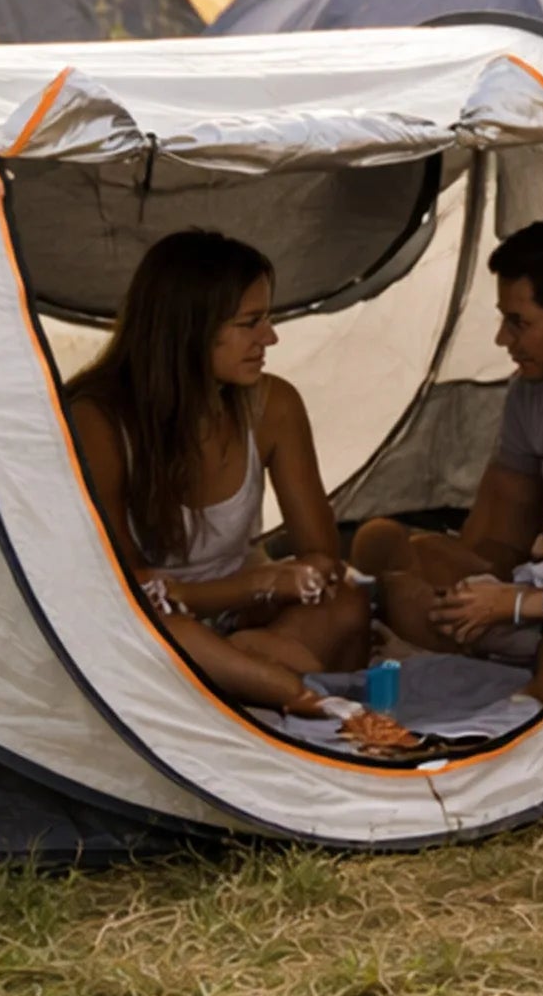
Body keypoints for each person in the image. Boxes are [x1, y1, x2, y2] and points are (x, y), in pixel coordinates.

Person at [350, 218, 543, 706]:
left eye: (518, 322)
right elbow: (500, 542)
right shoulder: (532, 394)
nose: (503, 339)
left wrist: (524, 605)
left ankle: (516, 704)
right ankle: (484, 656)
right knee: (383, 544)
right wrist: (471, 598)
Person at [67, 231, 371, 715]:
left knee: (348, 605)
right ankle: (281, 685)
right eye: (250, 323)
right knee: (162, 631)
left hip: (238, 619)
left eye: (267, 319)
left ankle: (241, 673)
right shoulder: (99, 419)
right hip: (158, 625)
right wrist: (256, 585)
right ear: (189, 329)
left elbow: (321, 556)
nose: (269, 337)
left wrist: (287, 583)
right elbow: (126, 589)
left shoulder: (273, 405)